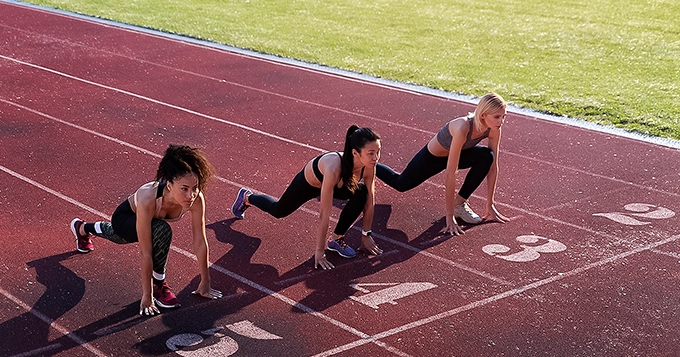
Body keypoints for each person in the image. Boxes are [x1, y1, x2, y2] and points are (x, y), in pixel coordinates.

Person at [69, 144, 223, 316]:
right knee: (155, 231)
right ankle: (160, 287)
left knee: (139, 232)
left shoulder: (196, 199)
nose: (191, 195)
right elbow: (145, 252)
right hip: (125, 218)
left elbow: (200, 241)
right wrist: (147, 295)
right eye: (184, 189)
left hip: (150, 220)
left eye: (195, 188)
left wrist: (205, 282)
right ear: (169, 185)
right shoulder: (148, 197)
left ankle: (82, 228)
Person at [231, 125, 384, 270]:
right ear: (355, 153)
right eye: (370, 153)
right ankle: (247, 197)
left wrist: (366, 234)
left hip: (340, 185)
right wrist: (319, 251)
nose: (375, 157)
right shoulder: (334, 167)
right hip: (309, 184)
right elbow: (325, 213)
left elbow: (370, 202)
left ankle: (336, 238)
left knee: (362, 194)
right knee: (278, 211)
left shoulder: (369, 167)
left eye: (378, 151)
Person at [376, 92, 510, 236]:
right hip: (433, 157)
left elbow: (493, 167)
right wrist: (449, 215)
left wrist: (490, 204)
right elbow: (451, 173)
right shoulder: (463, 127)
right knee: (400, 184)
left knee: (487, 157)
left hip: (458, 155)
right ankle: (365, 165)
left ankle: (459, 203)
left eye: (503, 116)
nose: (501, 121)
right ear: (483, 114)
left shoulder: (494, 129)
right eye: (497, 117)